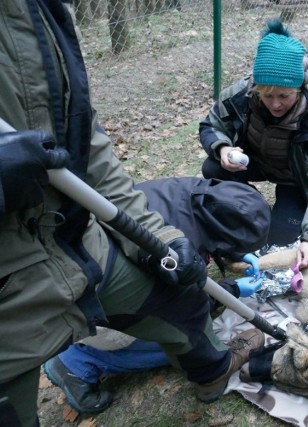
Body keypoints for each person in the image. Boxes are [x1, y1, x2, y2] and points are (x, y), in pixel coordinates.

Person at [0, 2, 265, 425]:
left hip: (74, 242)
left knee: (184, 294)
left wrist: (161, 242)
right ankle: (75, 365)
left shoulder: (40, 12)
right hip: (8, 284)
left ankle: (212, 373)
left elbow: (87, 139)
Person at [44, 176, 271, 414]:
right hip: (90, 305)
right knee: (192, 336)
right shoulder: (170, 251)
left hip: (74, 273)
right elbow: (185, 305)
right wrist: (233, 290)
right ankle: (78, 361)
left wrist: (231, 253)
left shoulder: (183, 193)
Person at [199, 18, 308, 270]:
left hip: (295, 179)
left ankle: (279, 215)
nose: (275, 104)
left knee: (280, 240)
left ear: (299, 90)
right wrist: (223, 148)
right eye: (267, 95)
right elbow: (210, 125)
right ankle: (253, 207)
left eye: (284, 96)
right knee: (213, 167)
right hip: (255, 162)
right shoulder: (240, 96)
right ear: (256, 88)